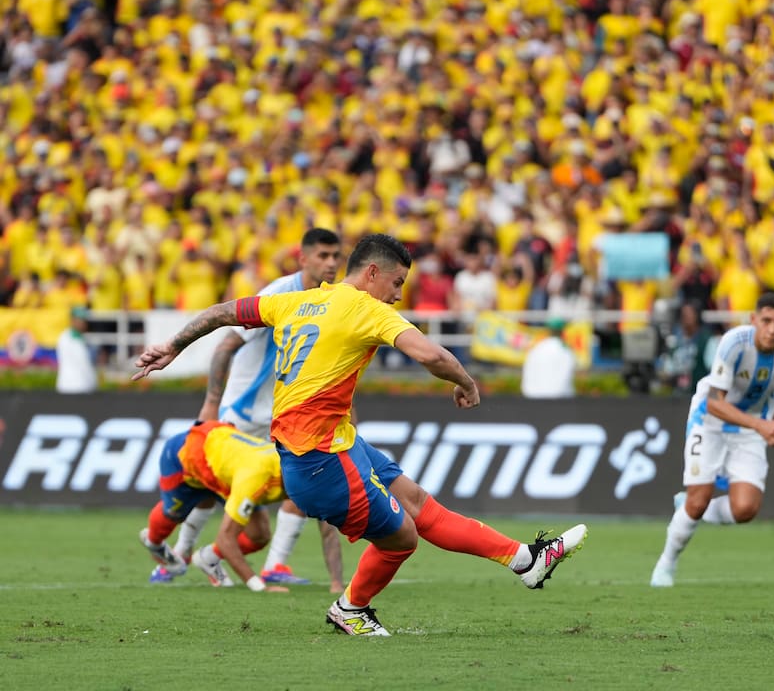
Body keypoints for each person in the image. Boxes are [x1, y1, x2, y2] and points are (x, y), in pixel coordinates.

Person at [134, 234, 588, 636]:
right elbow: (429, 354)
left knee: (417, 502)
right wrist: (466, 384)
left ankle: (525, 560)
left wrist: (172, 346)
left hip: (336, 442)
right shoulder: (364, 309)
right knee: (403, 537)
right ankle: (351, 608)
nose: (397, 296)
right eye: (396, 284)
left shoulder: (295, 301)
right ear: (372, 273)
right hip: (318, 459)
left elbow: (222, 313)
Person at [153, 228, 346, 589]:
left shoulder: (335, 300)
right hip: (240, 414)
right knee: (209, 489)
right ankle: (178, 556)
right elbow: (226, 345)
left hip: (282, 420)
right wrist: (211, 404)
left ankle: (275, 566)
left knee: (302, 487)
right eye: (323, 255)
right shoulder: (277, 294)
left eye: (336, 256)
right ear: (303, 258)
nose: (331, 263)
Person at [650, 292, 774, 588]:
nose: (772, 329)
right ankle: (666, 564)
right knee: (698, 501)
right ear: (753, 320)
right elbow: (714, 403)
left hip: (752, 425)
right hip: (709, 420)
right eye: (766, 321)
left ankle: (689, 507)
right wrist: (761, 425)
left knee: (745, 510)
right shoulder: (735, 343)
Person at [139, 421, 291, 593]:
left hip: (225, 469)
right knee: (173, 514)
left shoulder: (291, 466)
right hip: (186, 454)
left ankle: (208, 558)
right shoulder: (256, 478)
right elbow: (227, 539)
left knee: (258, 535)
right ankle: (153, 543)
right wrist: (259, 587)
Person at [520, 317, 576, 399]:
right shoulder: (565, 349)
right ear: (562, 331)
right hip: (558, 398)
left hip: (531, 396)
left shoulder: (537, 348)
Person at [55, 306, 97, 394]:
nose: (84, 324)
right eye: (81, 320)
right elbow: (83, 364)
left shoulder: (78, 338)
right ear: (73, 320)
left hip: (79, 387)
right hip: (73, 387)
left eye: (84, 320)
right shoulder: (69, 338)